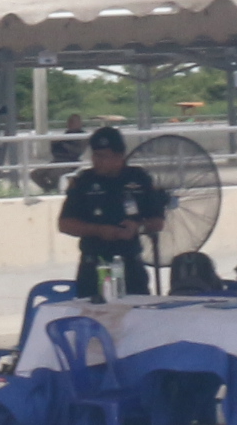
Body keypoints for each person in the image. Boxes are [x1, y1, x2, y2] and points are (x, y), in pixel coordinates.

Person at [55, 125, 165, 301]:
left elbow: (158, 221)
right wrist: (99, 230)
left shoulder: (139, 178)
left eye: (103, 156)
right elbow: (65, 224)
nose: (97, 161)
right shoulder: (84, 182)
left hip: (130, 264)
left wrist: (138, 226)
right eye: (95, 155)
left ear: (119, 156)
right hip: (94, 265)